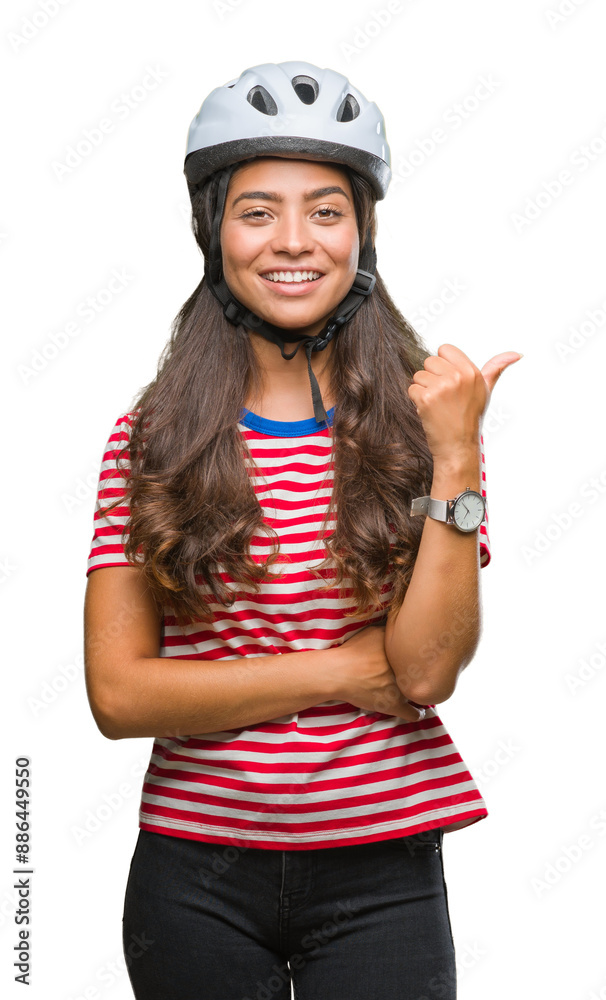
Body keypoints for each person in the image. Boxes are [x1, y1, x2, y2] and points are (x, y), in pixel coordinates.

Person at [83, 60, 522, 1000]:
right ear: (214, 232)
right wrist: (334, 671)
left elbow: (427, 672)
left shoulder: (427, 428)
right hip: (194, 872)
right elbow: (119, 697)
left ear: (363, 233)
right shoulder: (150, 436)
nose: (294, 242)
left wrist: (456, 459)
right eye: (258, 212)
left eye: (326, 211)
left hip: (384, 868)